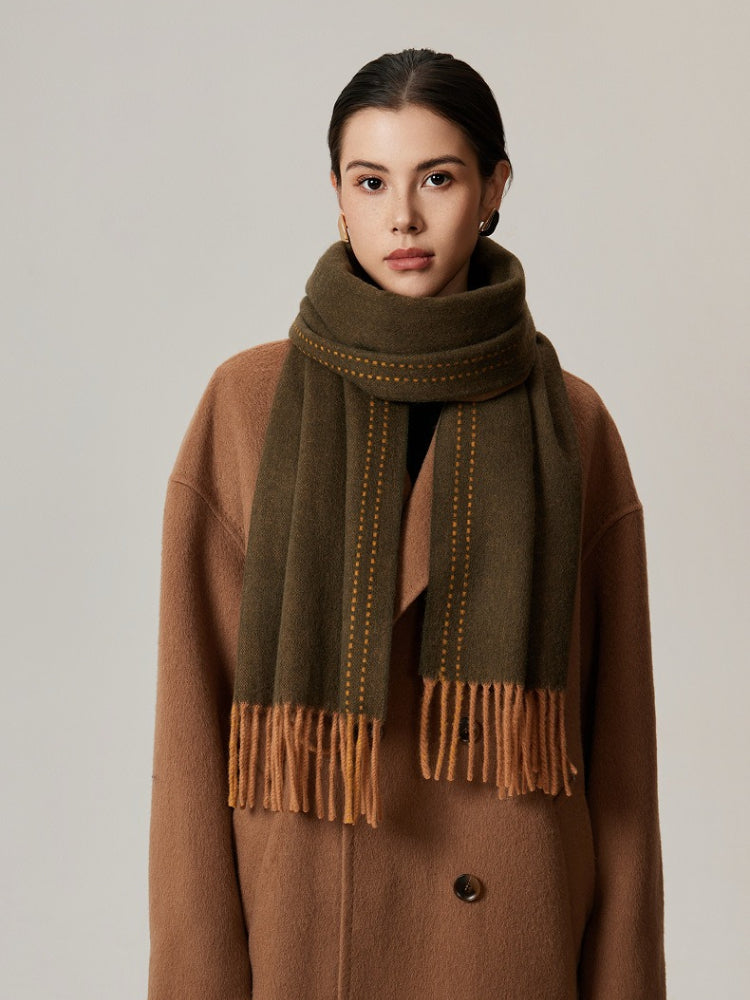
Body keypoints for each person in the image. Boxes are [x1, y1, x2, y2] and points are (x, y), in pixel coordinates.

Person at [147, 48, 666, 1000]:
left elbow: (623, 760)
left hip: (515, 950)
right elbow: (189, 745)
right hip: (310, 942)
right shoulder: (248, 407)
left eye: (438, 178)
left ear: (494, 188)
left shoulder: (573, 424)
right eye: (371, 180)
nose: (403, 219)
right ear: (337, 197)